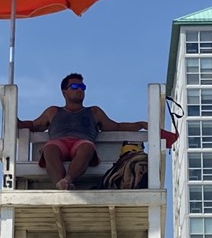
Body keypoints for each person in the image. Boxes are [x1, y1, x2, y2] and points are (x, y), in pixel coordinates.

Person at [17, 73, 148, 190]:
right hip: (59, 143)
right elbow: (34, 125)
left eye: (82, 87)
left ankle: (67, 180)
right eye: (74, 86)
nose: (80, 89)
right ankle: (61, 185)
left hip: (81, 143)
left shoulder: (94, 112)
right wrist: (15, 120)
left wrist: (140, 124)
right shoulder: (53, 111)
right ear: (64, 92)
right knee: (49, 149)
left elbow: (116, 126)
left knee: (86, 147)